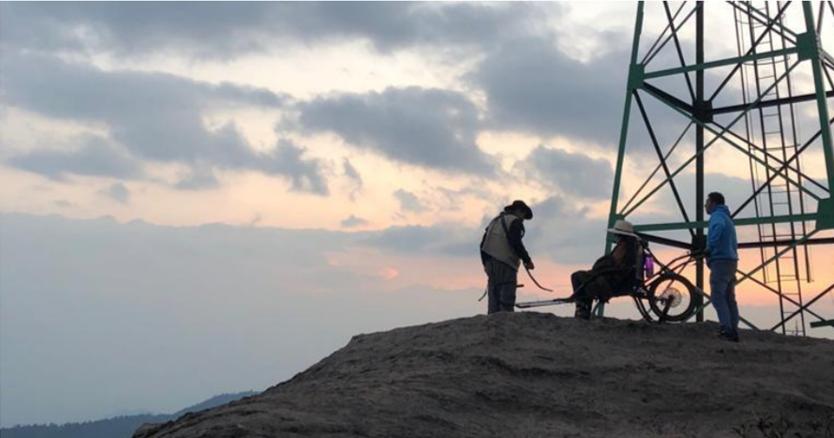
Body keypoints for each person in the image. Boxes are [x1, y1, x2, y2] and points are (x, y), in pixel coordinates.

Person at [571, 220, 642, 319]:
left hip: (612, 279)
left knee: (576, 276)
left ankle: (582, 308)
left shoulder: (624, 246)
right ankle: (583, 307)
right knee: (581, 278)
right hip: (615, 276)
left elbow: (615, 264)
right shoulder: (629, 246)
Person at [480, 200, 535, 314]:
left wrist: (485, 264)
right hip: (506, 262)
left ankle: (492, 324)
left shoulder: (495, 221)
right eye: (524, 216)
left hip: (490, 262)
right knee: (506, 300)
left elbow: (483, 244)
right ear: (520, 211)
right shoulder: (515, 221)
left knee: (493, 300)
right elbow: (516, 242)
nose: (523, 219)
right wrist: (527, 260)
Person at [703, 192, 740, 342]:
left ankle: (726, 329)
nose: (705, 205)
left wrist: (709, 247)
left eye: (707, 202)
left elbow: (718, 229)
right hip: (731, 261)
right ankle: (733, 329)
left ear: (713, 203)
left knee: (718, 296)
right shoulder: (727, 218)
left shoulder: (717, 217)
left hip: (721, 261)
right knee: (729, 298)